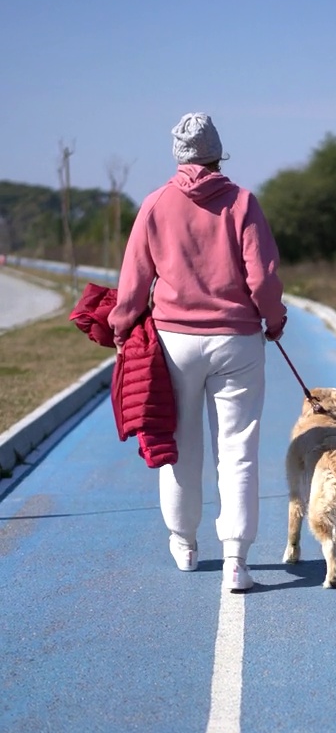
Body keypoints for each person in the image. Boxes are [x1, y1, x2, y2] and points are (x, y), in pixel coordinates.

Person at [109, 112, 287, 591]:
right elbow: (263, 277)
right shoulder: (243, 202)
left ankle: (184, 544)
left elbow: (134, 280)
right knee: (238, 451)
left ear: (178, 155)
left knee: (181, 446)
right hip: (238, 341)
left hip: (174, 342)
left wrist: (121, 325)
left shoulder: (155, 204)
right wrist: (274, 319)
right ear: (216, 154)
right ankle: (237, 560)